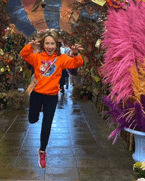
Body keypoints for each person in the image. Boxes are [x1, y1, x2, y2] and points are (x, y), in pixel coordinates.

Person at [20, 29, 84, 168]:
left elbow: (76, 63)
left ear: (57, 45)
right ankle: (37, 112)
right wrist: (31, 46)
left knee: (47, 123)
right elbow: (24, 54)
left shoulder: (61, 59)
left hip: (51, 97)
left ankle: (42, 151)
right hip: (37, 94)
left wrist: (76, 53)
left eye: (52, 44)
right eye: (47, 43)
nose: (50, 46)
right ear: (43, 44)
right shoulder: (37, 57)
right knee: (32, 119)